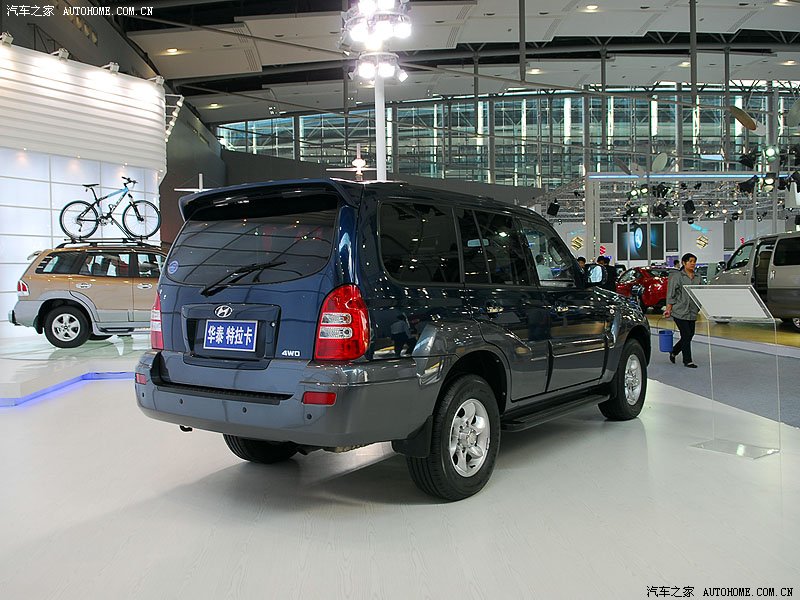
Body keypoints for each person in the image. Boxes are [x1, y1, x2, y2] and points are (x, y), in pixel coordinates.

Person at [664, 252, 702, 368]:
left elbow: (701, 292)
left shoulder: (698, 277)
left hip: (692, 311)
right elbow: (671, 293)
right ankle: (688, 360)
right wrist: (668, 309)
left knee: (690, 334)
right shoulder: (677, 277)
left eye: (694, 261)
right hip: (679, 310)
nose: (693, 264)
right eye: (690, 261)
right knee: (686, 334)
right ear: (684, 263)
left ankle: (674, 351)